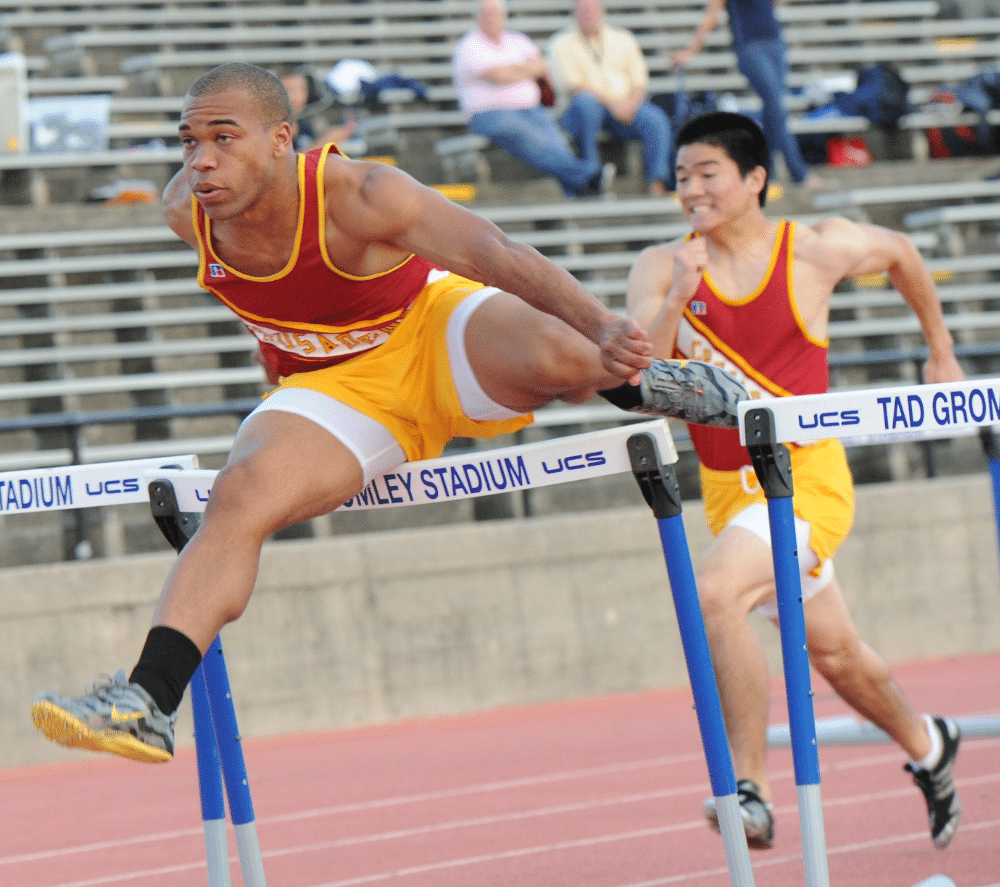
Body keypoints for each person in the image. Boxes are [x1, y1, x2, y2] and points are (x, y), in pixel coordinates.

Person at [30, 63, 748, 764]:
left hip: (430, 328)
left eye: (224, 138)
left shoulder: (362, 193)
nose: (201, 161)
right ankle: (147, 701)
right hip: (339, 388)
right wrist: (277, 363)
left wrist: (601, 323)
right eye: (189, 142)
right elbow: (275, 303)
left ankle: (641, 381)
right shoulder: (186, 212)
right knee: (240, 493)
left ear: (281, 140)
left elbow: (494, 251)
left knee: (571, 354)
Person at [626, 111, 963, 850]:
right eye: (681, 177)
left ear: (755, 179)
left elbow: (902, 252)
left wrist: (939, 351)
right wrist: (678, 297)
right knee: (836, 655)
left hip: (803, 478)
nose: (692, 190)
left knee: (715, 594)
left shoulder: (812, 248)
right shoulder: (660, 266)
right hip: (726, 489)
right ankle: (931, 745)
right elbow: (639, 383)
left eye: (707, 174)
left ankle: (751, 790)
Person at [671, 0, 820, 189]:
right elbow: (712, 12)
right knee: (775, 104)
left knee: (774, 109)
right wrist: (691, 50)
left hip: (774, 43)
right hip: (750, 47)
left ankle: (765, 172)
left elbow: (769, 4)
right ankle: (797, 173)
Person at [451, 0, 614, 198]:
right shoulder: (469, 45)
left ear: (504, 15)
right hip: (489, 114)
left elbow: (540, 67)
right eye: (486, 13)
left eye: (495, 12)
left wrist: (512, 71)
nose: (491, 17)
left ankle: (581, 189)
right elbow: (499, 76)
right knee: (527, 138)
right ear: (477, 16)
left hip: (530, 110)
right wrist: (523, 69)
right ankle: (590, 177)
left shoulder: (517, 40)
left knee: (555, 141)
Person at [549, 0, 671, 197]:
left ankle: (657, 182)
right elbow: (574, 86)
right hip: (582, 111)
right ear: (574, 14)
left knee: (655, 119)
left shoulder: (622, 39)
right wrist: (614, 104)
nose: (589, 14)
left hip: (624, 107)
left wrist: (631, 104)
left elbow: (639, 81)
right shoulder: (561, 43)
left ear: (603, 12)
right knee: (585, 105)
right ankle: (591, 175)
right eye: (584, 10)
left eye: (593, 9)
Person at [279, 69, 357, 152]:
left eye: (301, 89)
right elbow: (286, 160)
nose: (297, 96)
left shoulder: (303, 125)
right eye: (289, 90)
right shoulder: (274, 128)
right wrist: (327, 141)